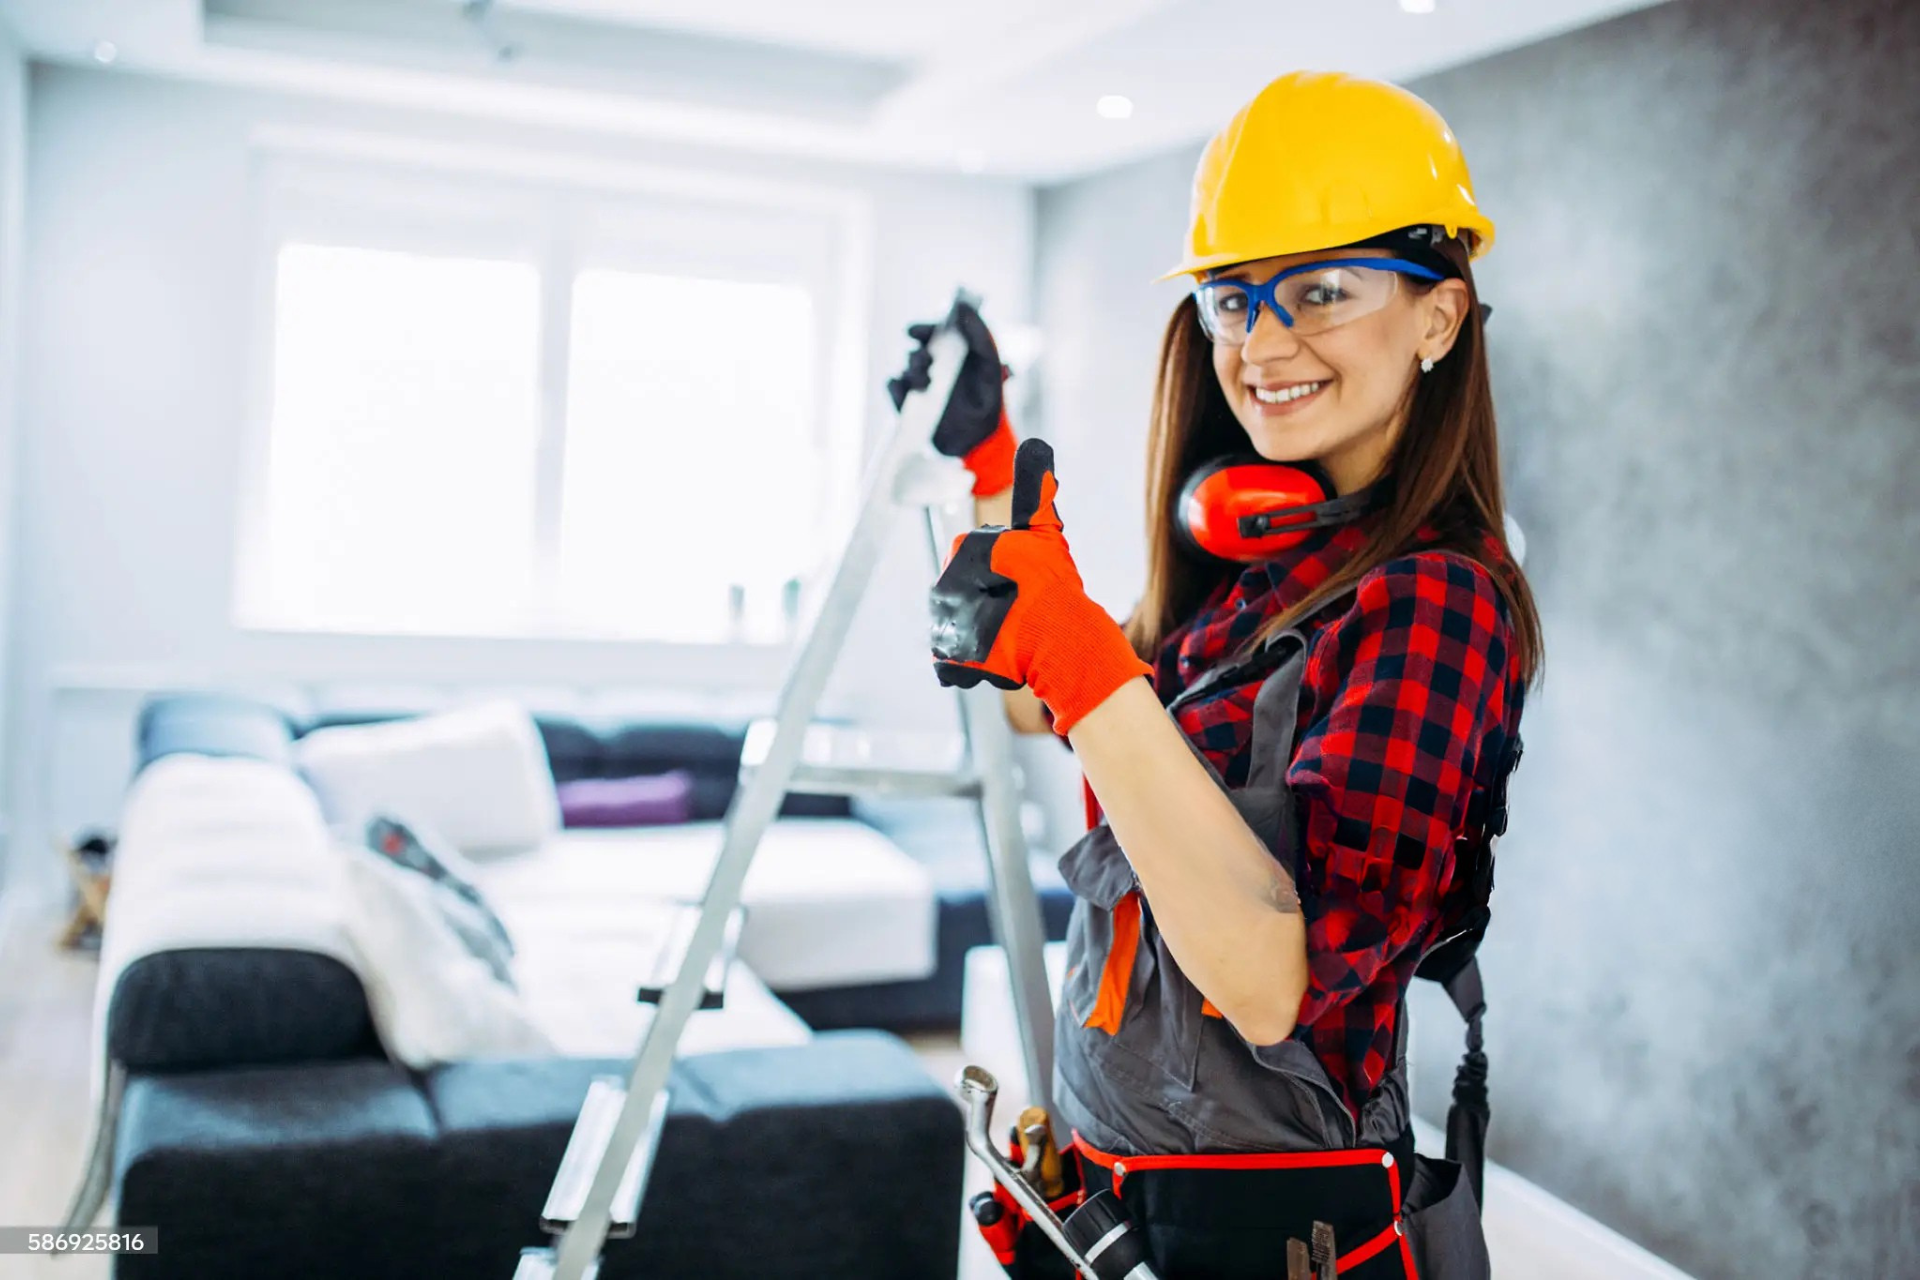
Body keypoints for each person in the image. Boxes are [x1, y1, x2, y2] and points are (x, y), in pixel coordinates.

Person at [896, 70, 1542, 1278]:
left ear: (1440, 318)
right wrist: (989, 459)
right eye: (1234, 298)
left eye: (1322, 291)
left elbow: (1267, 985)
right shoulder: (1260, 568)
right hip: (1113, 1187)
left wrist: (1085, 664)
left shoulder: (1438, 600)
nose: (1262, 342)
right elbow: (1055, 702)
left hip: (1268, 1230)